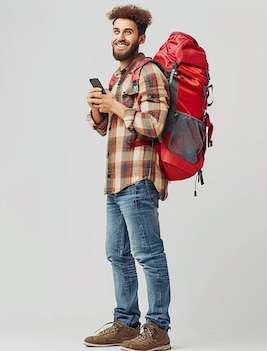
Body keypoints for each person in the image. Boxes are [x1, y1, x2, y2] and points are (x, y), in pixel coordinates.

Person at [83, 4, 172, 351]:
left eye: (128, 32)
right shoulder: (117, 77)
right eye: (116, 31)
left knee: (148, 255)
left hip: (138, 179)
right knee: (117, 254)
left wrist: (117, 106)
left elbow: (153, 125)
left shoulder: (148, 72)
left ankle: (159, 327)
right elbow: (105, 127)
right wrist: (96, 107)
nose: (120, 38)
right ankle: (125, 322)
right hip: (115, 181)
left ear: (141, 38)